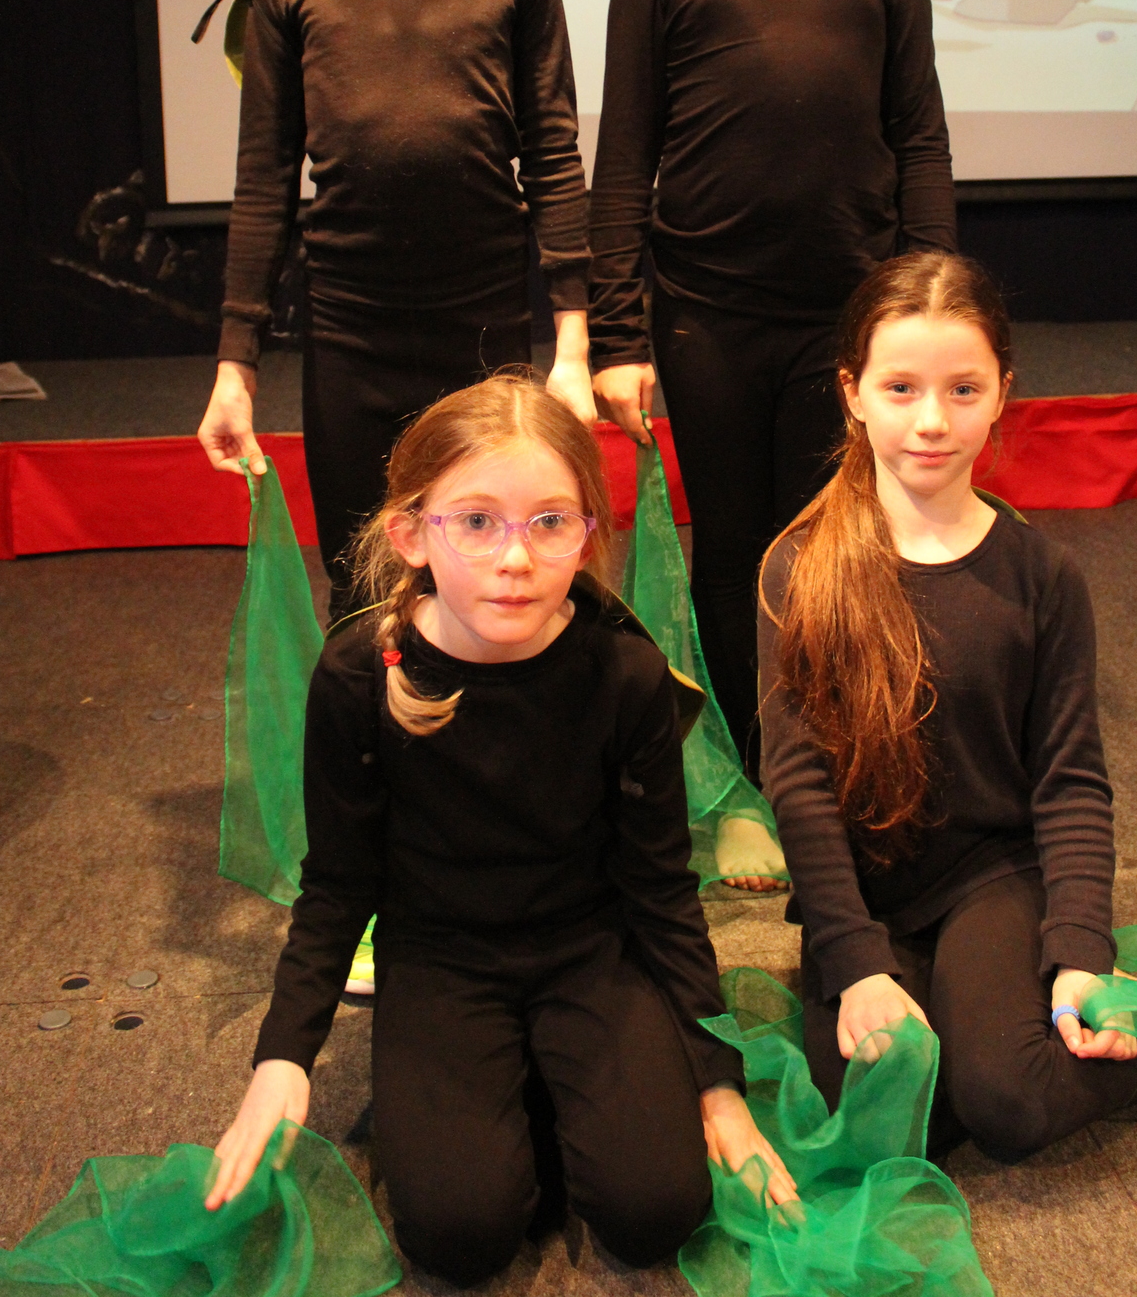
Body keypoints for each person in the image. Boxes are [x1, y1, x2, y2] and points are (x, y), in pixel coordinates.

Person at [205, 374, 796, 1283]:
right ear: (411, 535)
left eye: (549, 522)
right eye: (476, 522)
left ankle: (551, 1093)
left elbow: (661, 892)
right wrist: (284, 1058)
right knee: (459, 1235)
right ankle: (515, 1096)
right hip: (440, 958)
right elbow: (337, 887)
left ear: (588, 533)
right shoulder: (360, 674)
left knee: (655, 1211)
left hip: (589, 952)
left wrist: (716, 1085)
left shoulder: (626, 675)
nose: (514, 558)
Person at [759, 250, 1137, 1161]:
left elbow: (1070, 780)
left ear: (1002, 393)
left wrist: (1079, 947)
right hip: (865, 889)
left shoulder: (1040, 575)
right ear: (852, 393)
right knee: (885, 1126)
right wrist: (854, 960)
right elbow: (799, 786)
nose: (931, 421)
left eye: (962, 390)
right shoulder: (797, 568)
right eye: (899, 388)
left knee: (1004, 1100)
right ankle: (954, 1008)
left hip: (992, 871)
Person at [589, 0, 955, 778]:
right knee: (733, 550)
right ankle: (754, 772)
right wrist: (617, 334)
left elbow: (919, 138)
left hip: (849, 317)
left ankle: (835, 759)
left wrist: (933, 308)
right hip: (707, 319)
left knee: (836, 548)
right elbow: (624, 163)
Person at [196, 0, 595, 616]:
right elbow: (264, 180)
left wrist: (575, 346)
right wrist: (235, 363)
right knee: (366, 586)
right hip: (350, 334)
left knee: (498, 582)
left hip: (486, 330)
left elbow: (552, 156)